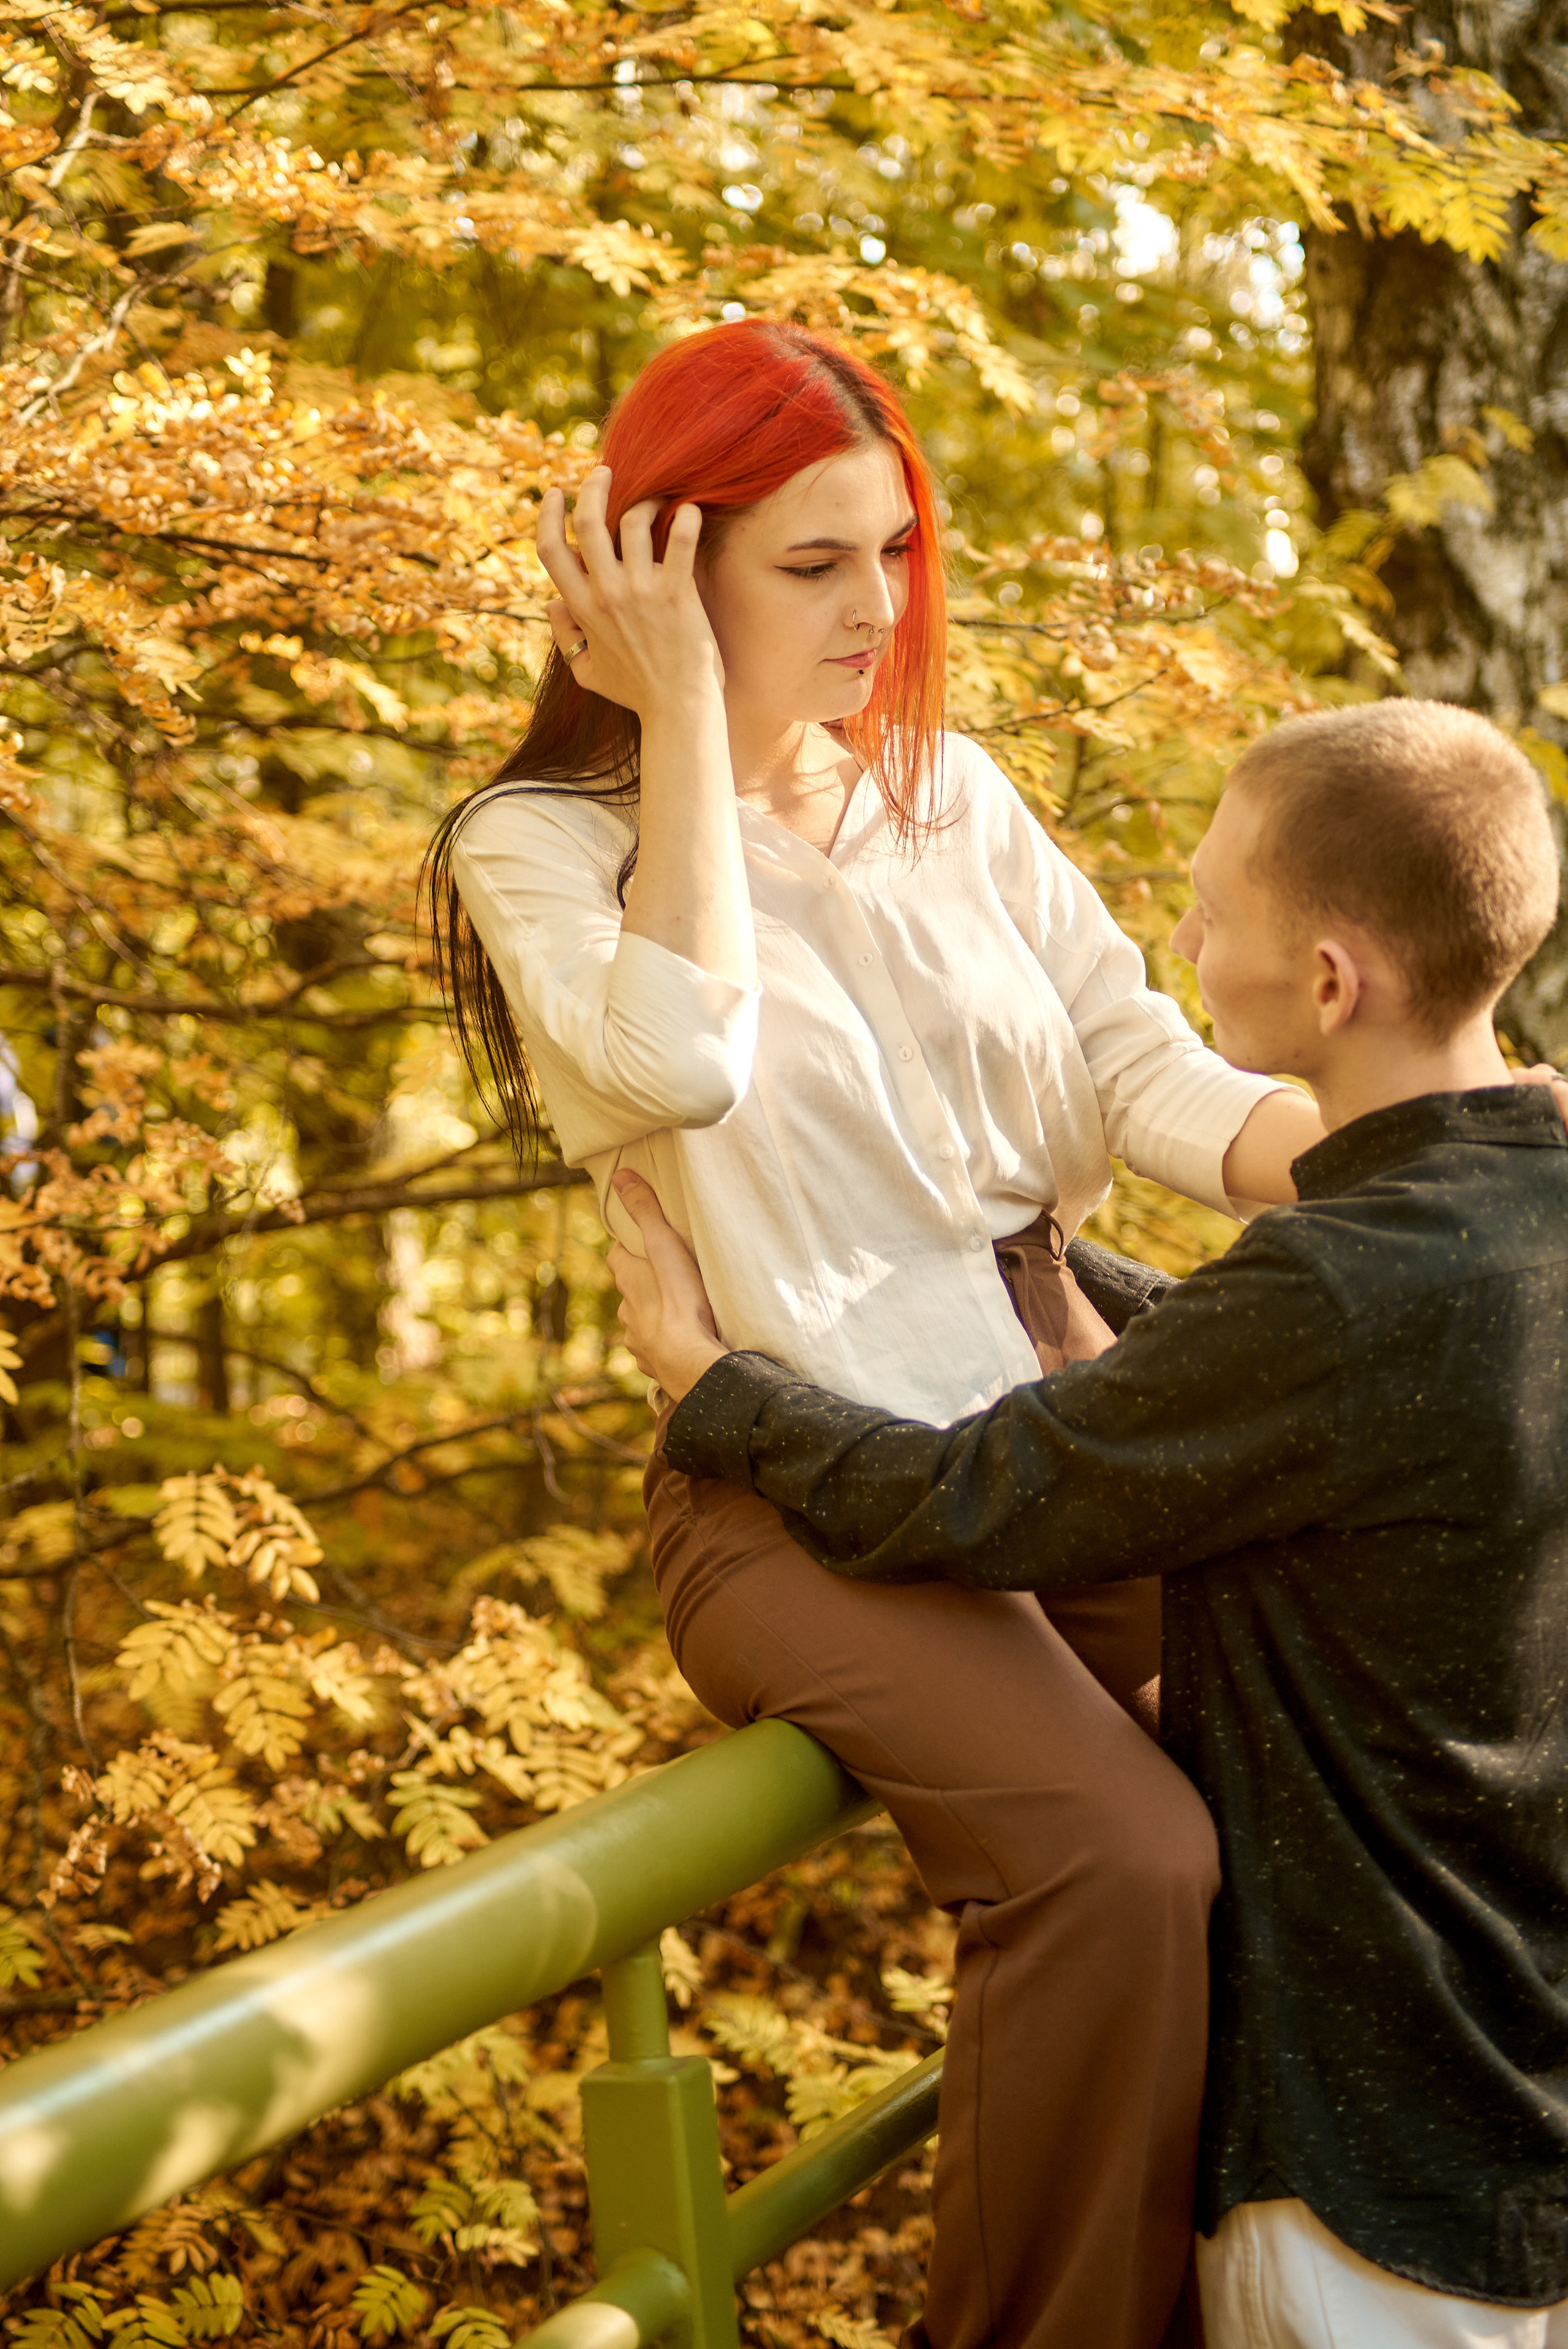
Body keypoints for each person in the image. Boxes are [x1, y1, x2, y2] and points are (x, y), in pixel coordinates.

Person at [426, 314, 1335, 2349]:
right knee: (1116, 1865)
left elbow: (1138, 1075)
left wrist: (1425, 1153)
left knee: (1325, 1749)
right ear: (664, 574)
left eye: (895, 551)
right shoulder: (544, 846)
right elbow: (684, 1049)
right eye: (812, 564)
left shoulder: (948, 800)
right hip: (788, 1483)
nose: (878, 608)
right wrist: (677, 722)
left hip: (1051, 1426)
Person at [607, 698, 1568, 2349]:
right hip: (1517, 2108)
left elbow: (978, 1491)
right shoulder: (1516, 1208)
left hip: (1360, 2169)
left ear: (1329, 982)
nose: (1182, 935)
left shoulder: (1331, 1295)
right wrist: (1048, 1269)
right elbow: (1264, 1354)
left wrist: (717, 1385)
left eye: (1210, 907)